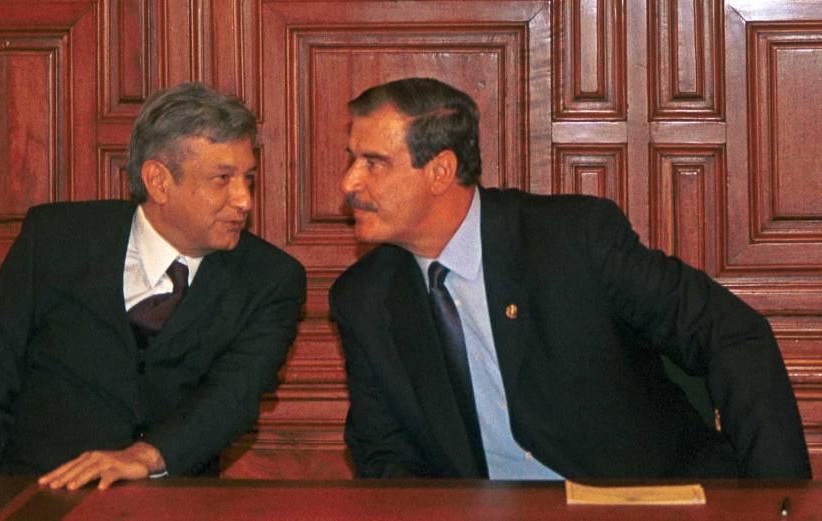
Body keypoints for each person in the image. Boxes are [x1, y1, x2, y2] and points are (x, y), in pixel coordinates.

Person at [329, 77, 811, 479]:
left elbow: (730, 332)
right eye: (352, 160)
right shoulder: (364, 298)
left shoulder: (573, 239)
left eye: (373, 163)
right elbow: (384, 454)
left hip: (642, 504)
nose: (350, 183)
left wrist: (778, 502)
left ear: (440, 172)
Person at [0, 82, 306, 489]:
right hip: (38, 496)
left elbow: (234, 396)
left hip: (170, 503)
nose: (244, 200)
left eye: (248, 178)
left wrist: (145, 457)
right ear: (158, 181)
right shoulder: (56, 240)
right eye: (223, 178)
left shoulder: (270, 280)